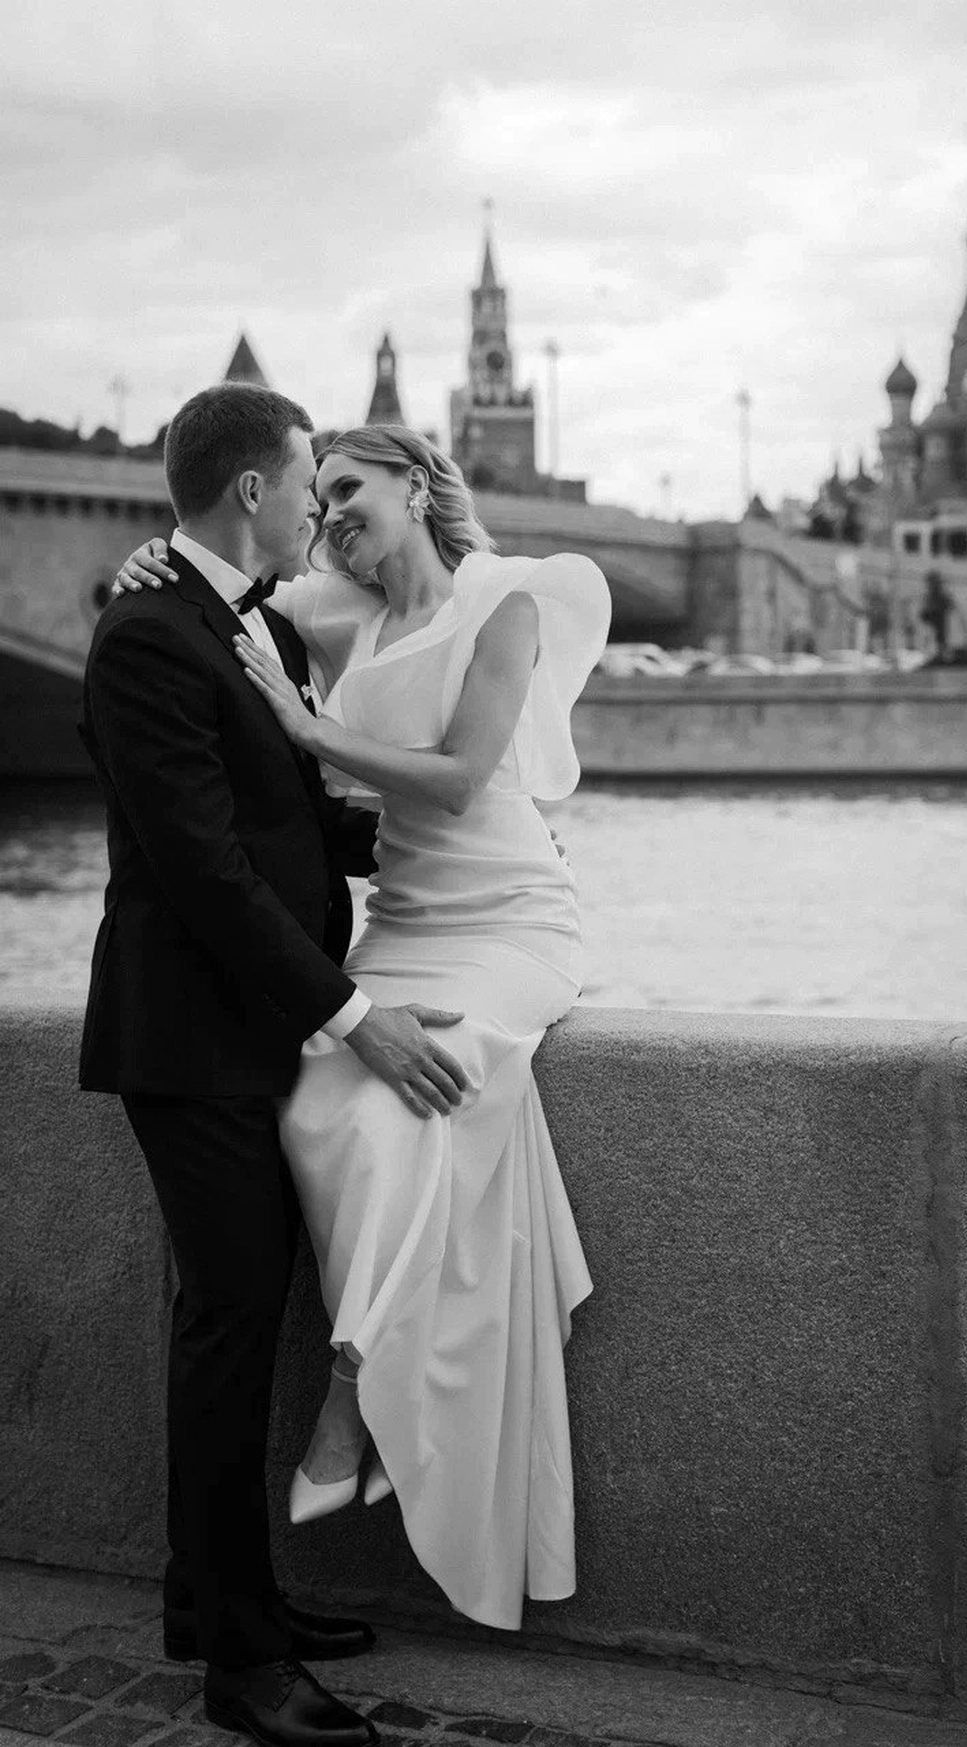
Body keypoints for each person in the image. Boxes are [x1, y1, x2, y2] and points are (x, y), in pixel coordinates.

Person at [114, 421, 611, 1631]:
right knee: (327, 1102)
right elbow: (217, 577)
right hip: (402, 919)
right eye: (317, 491)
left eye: (348, 487)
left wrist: (307, 730)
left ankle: (352, 1387)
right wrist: (142, 560)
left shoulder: (505, 600)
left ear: (415, 481)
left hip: (507, 913)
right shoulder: (327, 612)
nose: (330, 512)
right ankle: (360, 1412)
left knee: (436, 1082)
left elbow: (460, 775)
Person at [84, 384, 476, 1747]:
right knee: (228, 1331)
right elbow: (203, 868)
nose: (317, 498)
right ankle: (242, 1669)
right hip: (193, 1040)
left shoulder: (240, 619)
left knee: (237, 1323)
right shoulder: (150, 630)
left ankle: (212, 1600)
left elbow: (289, 824)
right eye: (307, 475)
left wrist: (468, 845)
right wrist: (354, 1012)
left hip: (245, 1031)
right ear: (253, 489)